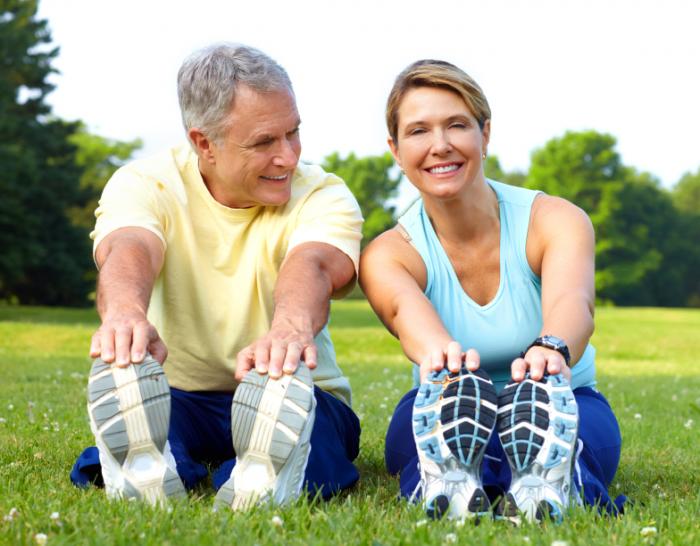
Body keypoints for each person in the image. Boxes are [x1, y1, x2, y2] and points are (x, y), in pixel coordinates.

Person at [70, 43, 363, 509]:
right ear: (204, 142)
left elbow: (314, 263)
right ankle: (154, 466)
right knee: (159, 424)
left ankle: (262, 471)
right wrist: (125, 314)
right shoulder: (146, 183)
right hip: (182, 395)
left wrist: (288, 330)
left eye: (293, 133)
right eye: (265, 142)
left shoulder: (323, 193)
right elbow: (129, 247)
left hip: (296, 391)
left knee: (316, 442)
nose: (288, 156)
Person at [359, 59, 625, 523]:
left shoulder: (554, 220)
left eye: (457, 125)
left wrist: (551, 349)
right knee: (418, 434)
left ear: (485, 134)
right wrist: (447, 361)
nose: (440, 146)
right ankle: (447, 480)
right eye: (418, 131)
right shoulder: (389, 254)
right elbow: (406, 314)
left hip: (564, 399)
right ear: (396, 150)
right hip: (442, 401)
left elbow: (573, 301)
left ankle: (555, 479)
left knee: (577, 438)